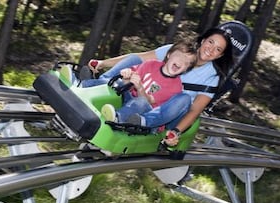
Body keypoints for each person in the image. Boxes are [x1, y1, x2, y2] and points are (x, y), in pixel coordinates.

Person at [85, 27, 234, 147]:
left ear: (220, 56)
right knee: (133, 62)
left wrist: (176, 132)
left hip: (167, 113)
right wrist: (102, 63)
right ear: (202, 40)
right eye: (211, 42)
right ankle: (93, 84)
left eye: (218, 49)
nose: (211, 49)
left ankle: (143, 121)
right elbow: (137, 58)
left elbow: (194, 111)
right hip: (142, 96)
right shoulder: (177, 51)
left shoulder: (212, 77)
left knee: (184, 98)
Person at [99, 39, 198, 136]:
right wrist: (127, 76)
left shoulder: (175, 87)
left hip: (146, 110)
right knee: (118, 83)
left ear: (186, 69)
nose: (181, 62)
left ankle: (117, 118)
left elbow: (148, 101)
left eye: (187, 62)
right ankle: (87, 86)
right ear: (169, 55)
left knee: (141, 102)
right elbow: (129, 85)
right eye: (179, 56)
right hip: (131, 100)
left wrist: (140, 87)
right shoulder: (151, 64)